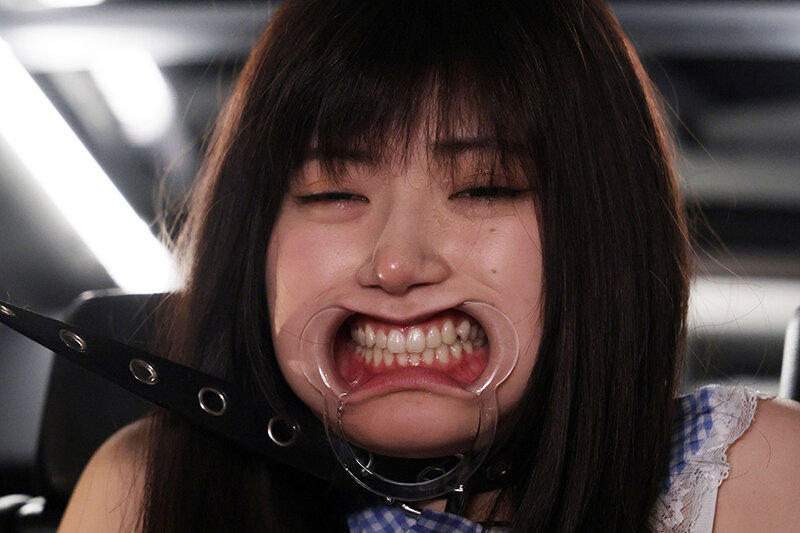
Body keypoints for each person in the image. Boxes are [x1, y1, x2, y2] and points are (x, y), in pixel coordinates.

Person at [57, 1, 800, 532]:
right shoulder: (142, 490)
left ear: (602, 233)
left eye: (485, 188)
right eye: (331, 191)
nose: (395, 261)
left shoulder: (757, 479)